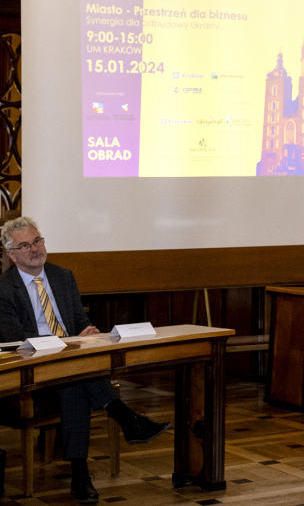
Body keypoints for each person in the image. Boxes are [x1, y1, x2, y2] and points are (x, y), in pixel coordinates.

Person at [0, 216, 171, 504]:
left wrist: (86, 332)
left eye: (38, 241)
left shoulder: (62, 276)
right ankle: (125, 421)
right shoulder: (4, 288)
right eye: (25, 245)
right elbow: (15, 338)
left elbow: (80, 320)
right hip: (30, 367)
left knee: (73, 381)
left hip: (70, 360)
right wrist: (65, 343)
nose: (34, 249)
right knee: (75, 375)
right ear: (11, 254)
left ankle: (82, 473)